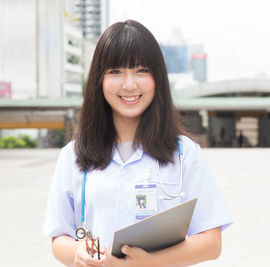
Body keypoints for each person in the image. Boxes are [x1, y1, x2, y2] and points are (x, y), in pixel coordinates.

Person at [43, 20, 232, 267]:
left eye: (141, 70)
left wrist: (148, 262)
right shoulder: (73, 155)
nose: (129, 84)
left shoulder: (185, 153)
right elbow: (59, 238)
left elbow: (211, 242)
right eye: (116, 71)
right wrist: (77, 253)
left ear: (158, 78)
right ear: (99, 80)